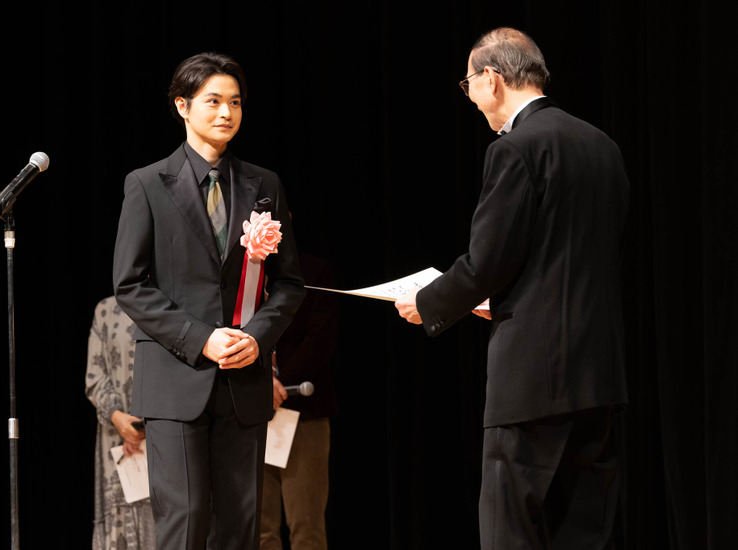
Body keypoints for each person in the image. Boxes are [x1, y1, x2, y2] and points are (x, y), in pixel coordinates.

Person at [394, 27, 629, 550]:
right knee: (585, 533)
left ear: (492, 79)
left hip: (531, 379)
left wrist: (428, 301)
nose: (473, 100)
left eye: (469, 84)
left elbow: (487, 261)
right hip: (599, 376)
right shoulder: (603, 145)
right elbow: (570, 257)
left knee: (511, 531)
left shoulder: (514, 148)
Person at [112, 52, 306, 550]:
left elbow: (288, 284)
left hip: (243, 381)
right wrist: (203, 339)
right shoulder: (147, 184)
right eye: (213, 101)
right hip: (176, 380)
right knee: (187, 521)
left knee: (240, 527)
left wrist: (256, 339)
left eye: (235, 102)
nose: (226, 113)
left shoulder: (264, 185)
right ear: (182, 106)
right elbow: (130, 284)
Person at [260, 252, 339, 550]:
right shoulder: (238, 274)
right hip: (253, 414)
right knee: (260, 530)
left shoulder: (313, 270)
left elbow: (321, 337)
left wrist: (279, 382)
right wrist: (260, 381)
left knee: (306, 527)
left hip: (303, 411)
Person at [85, 295, 155, 550]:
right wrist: (118, 418)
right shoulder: (106, 309)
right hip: (115, 434)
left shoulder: (171, 306)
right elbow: (94, 375)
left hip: (160, 433)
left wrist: (147, 423)